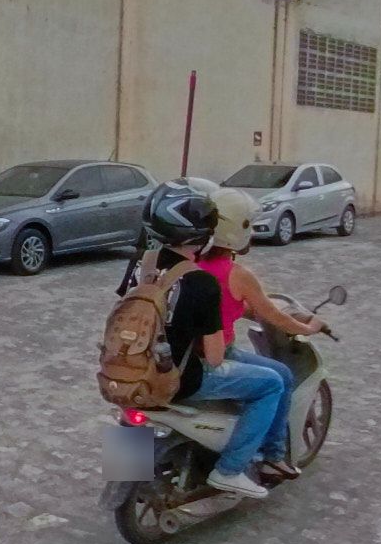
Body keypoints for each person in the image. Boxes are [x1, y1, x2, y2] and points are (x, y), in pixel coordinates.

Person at [127, 184, 321, 501]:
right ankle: (230, 470)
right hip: (182, 375)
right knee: (273, 382)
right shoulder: (202, 282)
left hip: (132, 365)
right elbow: (215, 357)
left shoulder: (142, 264)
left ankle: (126, 470)